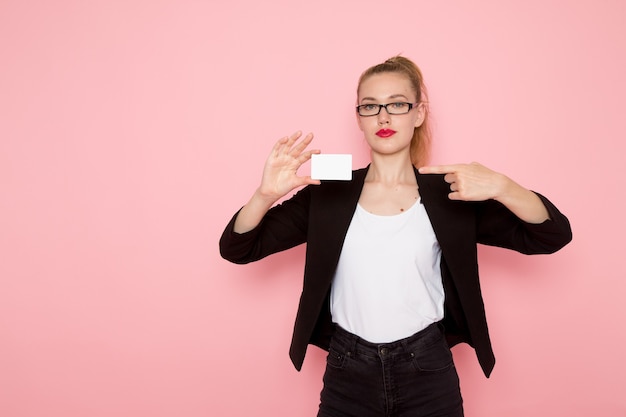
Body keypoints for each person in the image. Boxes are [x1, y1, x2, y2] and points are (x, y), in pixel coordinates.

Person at [219, 56, 572, 417]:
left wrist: (504, 186)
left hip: (428, 370)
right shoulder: (328, 192)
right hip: (347, 370)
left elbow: (551, 235)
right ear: (358, 117)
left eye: (397, 104)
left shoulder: (448, 192)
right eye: (371, 106)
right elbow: (239, 248)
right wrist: (264, 195)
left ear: (418, 113)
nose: (383, 117)